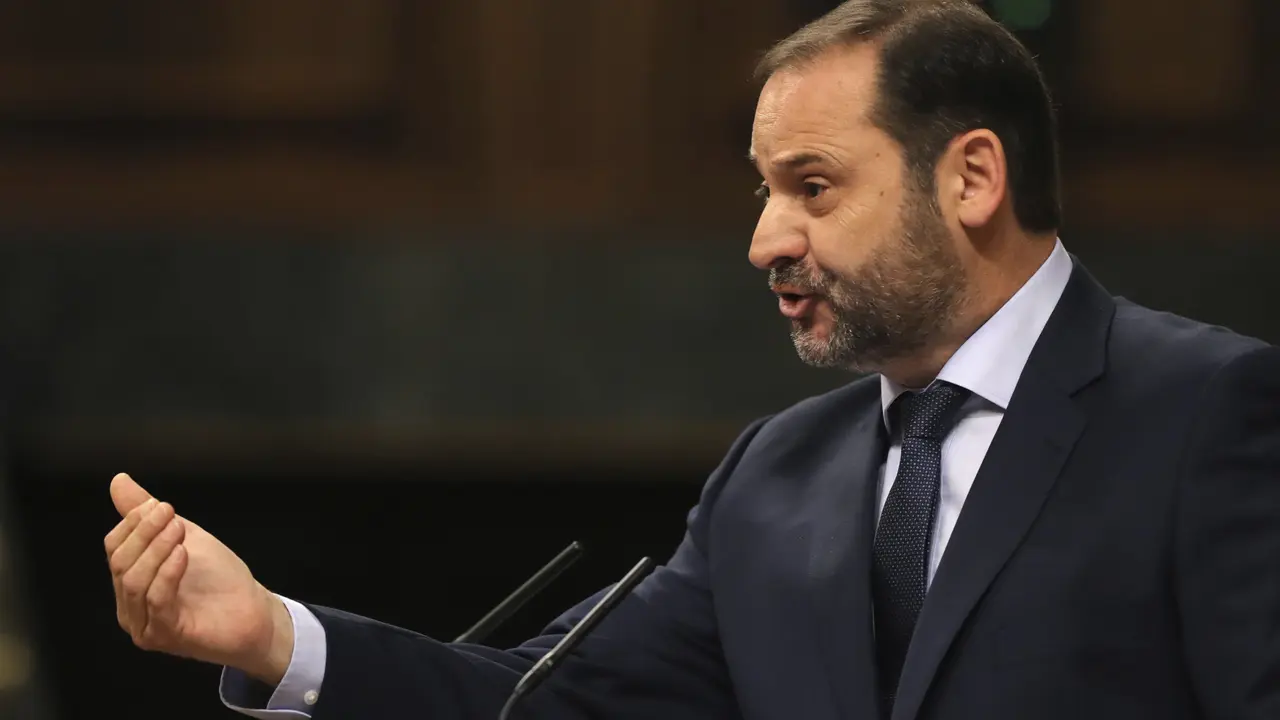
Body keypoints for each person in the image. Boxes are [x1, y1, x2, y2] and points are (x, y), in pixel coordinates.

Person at [103, 1, 1280, 718]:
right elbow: (542, 705)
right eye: (761, 191)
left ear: (970, 177)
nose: (764, 238)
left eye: (809, 187)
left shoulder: (1205, 413)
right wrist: (270, 633)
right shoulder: (775, 476)